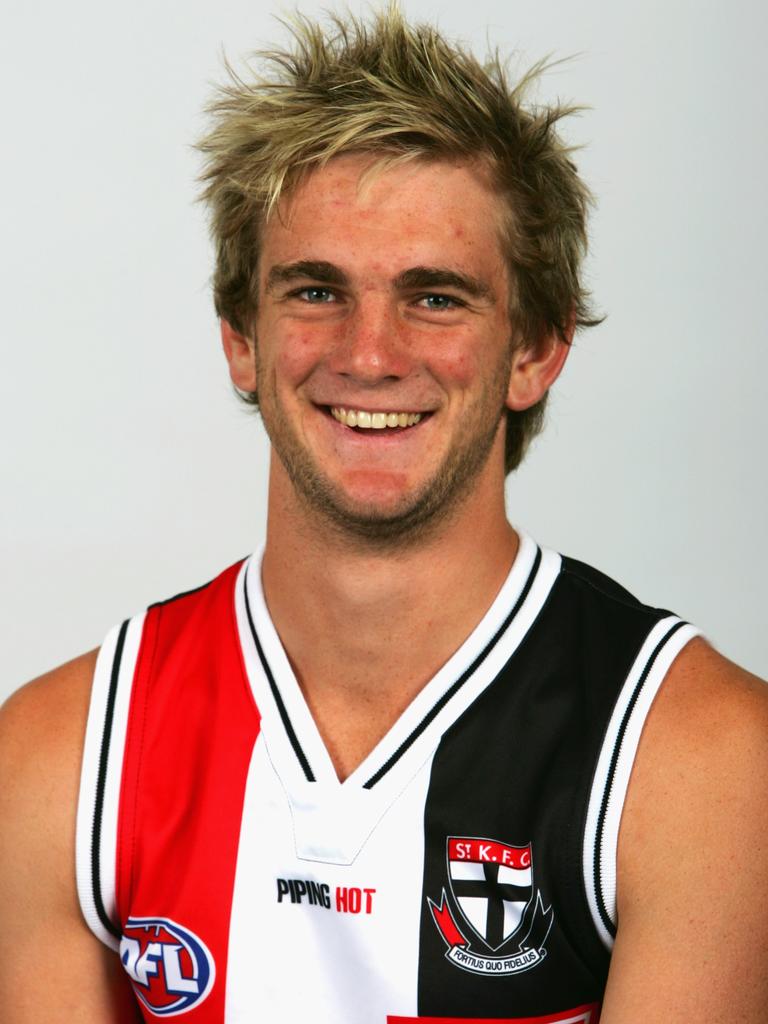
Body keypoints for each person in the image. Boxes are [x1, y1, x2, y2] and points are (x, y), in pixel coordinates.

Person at [1, 7, 766, 1023]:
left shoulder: (697, 762)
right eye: (317, 290)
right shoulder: (63, 756)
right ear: (241, 338)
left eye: (436, 296)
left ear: (536, 349)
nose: (369, 353)